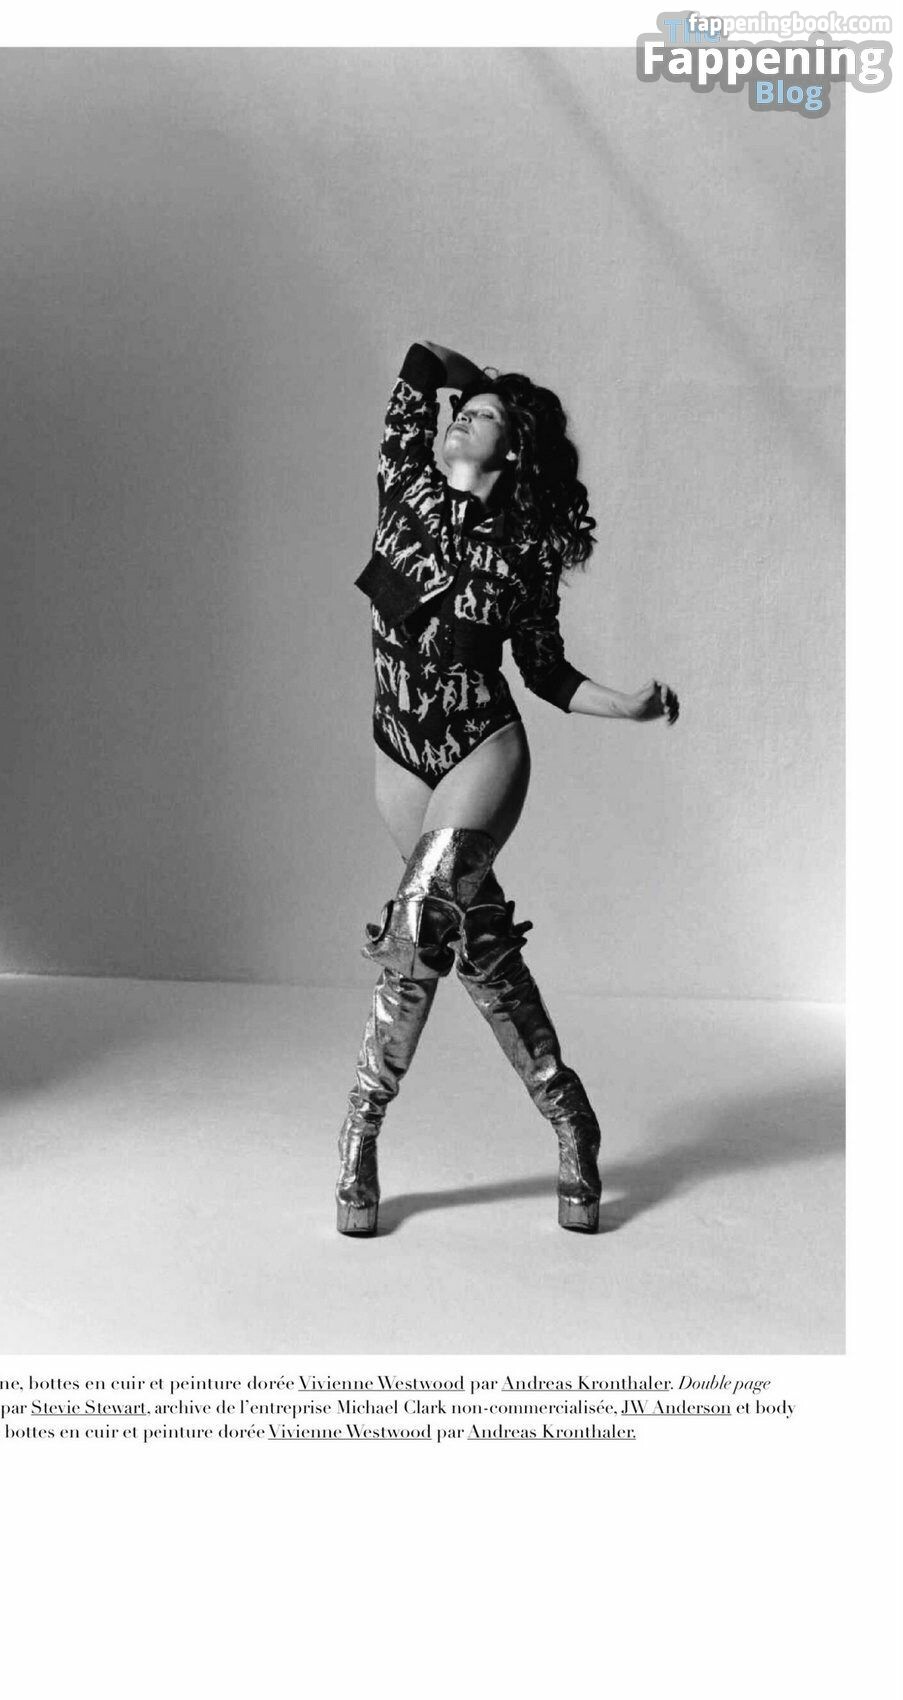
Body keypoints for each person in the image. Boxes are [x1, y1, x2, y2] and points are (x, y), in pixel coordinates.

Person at [336, 339, 679, 1238]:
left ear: (513, 445)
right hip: (396, 750)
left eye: (482, 415)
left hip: (478, 748)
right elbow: (423, 361)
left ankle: (359, 1130)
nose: (459, 418)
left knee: (415, 932)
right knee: (480, 946)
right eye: (460, 411)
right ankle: (570, 1116)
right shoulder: (403, 482)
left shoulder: (524, 548)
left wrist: (626, 705)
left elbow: (544, 669)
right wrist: (474, 379)